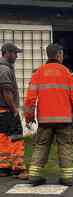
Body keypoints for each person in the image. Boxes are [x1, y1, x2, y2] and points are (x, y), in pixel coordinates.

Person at [24, 43, 73, 186]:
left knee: (41, 146)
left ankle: (34, 175)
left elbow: (30, 99)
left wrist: (29, 117)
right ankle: (67, 178)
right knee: (66, 147)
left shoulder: (38, 73)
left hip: (44, 120)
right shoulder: (67, 73)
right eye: (62, 54)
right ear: (59, 55)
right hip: (64, 120)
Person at [0, 43, 28, 180]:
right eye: (14, 53)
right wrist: (15, 109)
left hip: (1, 110)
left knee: (3, 139)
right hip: (7, 109)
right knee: (16, 137)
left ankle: (4, 168)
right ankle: (18, 169)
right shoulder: (5, 69)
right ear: (6, 52)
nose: (16, 56)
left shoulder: (3, 67)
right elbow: (6, 92)